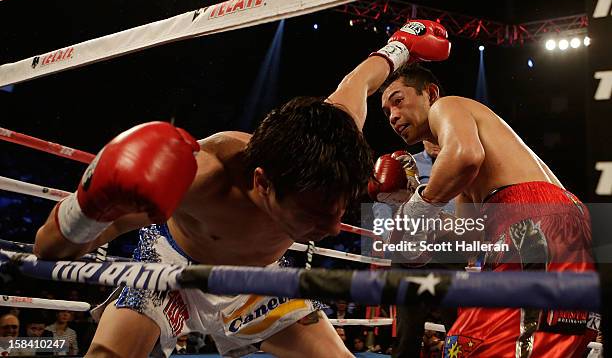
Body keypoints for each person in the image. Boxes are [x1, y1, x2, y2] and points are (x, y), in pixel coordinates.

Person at [33, 20, 450, 357]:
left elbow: (361, 79)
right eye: (312, 214)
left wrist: (402, 42)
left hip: (257, 281)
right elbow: (49, 249)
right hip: (169, 271)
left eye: (338, 209)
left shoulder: (331, 135)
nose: (332, 228)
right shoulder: (198, 177)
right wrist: (88, 202)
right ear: (262, 183)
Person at [372, 62, 596, 357]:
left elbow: (465, 156)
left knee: (469, 346)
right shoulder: (470, 179)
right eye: (387, 112)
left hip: (535, 223)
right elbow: (469, 240)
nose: (394, 116)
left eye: (398, 101)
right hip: (544, 225)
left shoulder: (448, 106)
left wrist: (416, 209)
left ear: (430, 94)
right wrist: (408, 199)